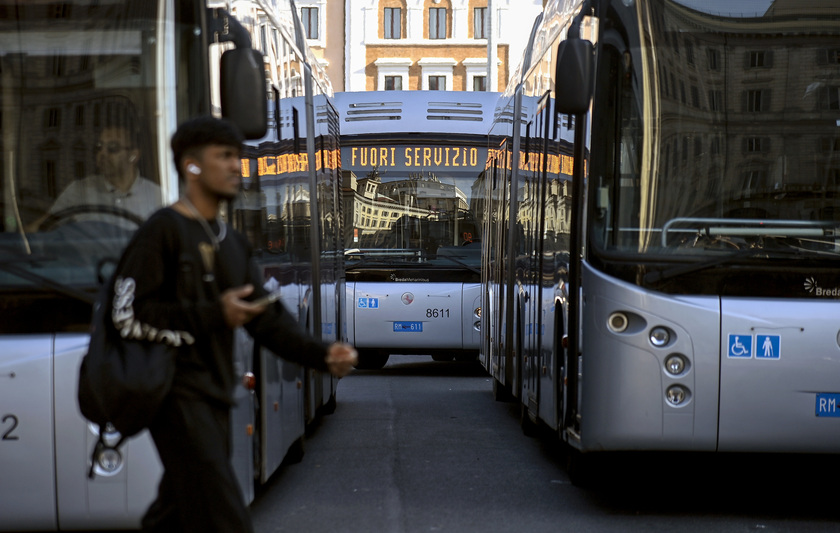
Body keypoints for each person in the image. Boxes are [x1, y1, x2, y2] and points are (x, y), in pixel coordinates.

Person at [104, 115, 357, 532]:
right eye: (223, 157)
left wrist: (323, 353)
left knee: (174, 511)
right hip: (174, 395)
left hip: (216, 394)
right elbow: (127, 317)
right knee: (225, 515)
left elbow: (267, 319)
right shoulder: (161, 233)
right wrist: (212, 315)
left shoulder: (231, 242)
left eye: (237, 157)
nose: (237, 166)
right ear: (192, 166)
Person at [32, 123, 161, 230]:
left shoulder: (157, 197)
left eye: (112, 148)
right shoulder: (79, 191)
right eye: (99, 147)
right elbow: (41, 227)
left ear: (133, 156)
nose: (102, 154)